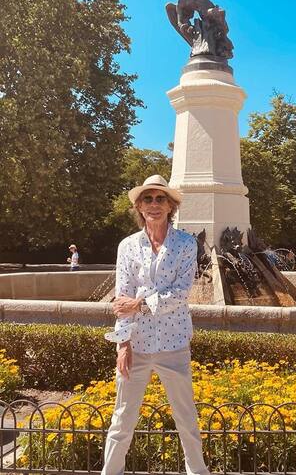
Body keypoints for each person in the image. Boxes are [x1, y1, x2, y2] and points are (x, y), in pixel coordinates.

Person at [101, 174, 209, 475]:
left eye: (160, 198)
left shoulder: (187, 244)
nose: (154, 204)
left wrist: (139, 303)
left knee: (186, 420)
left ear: (170, 205)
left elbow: (181, 293)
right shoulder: (127, 246)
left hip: (174, 344)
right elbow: (121, 299)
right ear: (139, 205)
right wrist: (122, 345)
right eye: (147, 199)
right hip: (136, 345)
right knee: (122, 420)